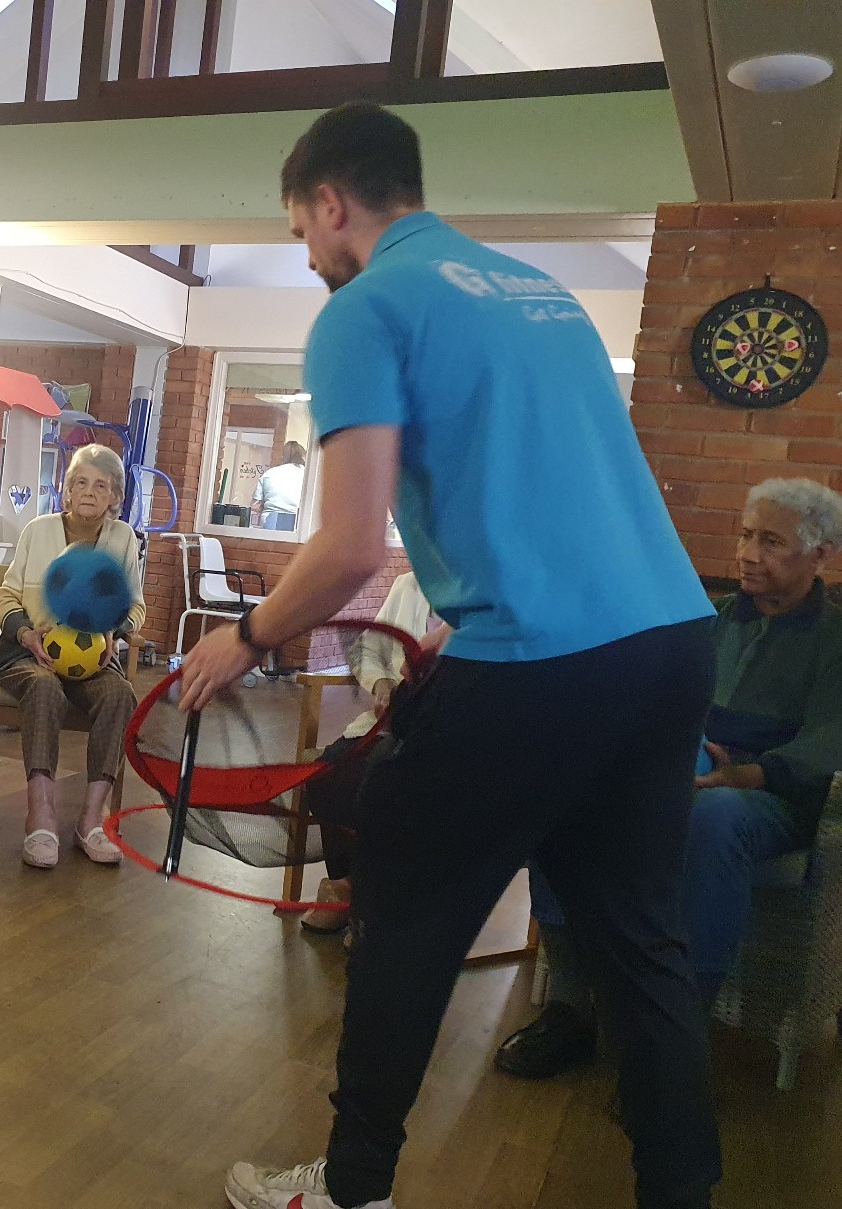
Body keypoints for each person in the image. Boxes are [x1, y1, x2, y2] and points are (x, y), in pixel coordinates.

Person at [180, 103, 721, 1209]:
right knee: (640, 950)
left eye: (298, 232)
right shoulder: (542, 294)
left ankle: (348, 1189)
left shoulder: (365, 308)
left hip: (542, 659)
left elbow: (344, 552)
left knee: (401, 912)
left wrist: (241, 638)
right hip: (670, 641)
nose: (308, 254)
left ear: (331, 203)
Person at [496, 478, 842, 1080]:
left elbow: (824, 747)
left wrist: (745, 772)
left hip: (774, 798)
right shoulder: (710, 622)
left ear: (819, 556)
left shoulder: (834, 639)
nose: (747, 553)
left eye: (770, 541)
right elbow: (652, 702)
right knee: (565, 800)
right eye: (744, 534)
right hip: (687, 771)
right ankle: (573, 1008)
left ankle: (672, 1040)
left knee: (713, 817)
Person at [0, 443, 145, 869]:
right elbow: (6, 593)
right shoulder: (38, 530)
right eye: (79, 483)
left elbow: (136, 607)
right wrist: (25, 633)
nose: (89, 492)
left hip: (93, 659)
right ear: (66, 491)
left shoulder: (123, 539)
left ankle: (93, 820)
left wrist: (114, 628)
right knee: (43, 687)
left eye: (101, 485)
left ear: (115, 497)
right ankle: (41, 815)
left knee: (121, 695)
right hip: (26, 655)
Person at [299, 571, 445, 935]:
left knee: (392, 786)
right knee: (328, 774)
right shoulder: (409, 586)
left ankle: (369, 899)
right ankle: (350, 887)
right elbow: (367, 649)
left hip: (449, 738)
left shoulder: (495, 594)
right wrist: (380, 682)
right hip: (390, 727)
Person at [250, 440, 308, 531]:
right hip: (298, 524)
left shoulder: (269, 473)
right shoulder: (308, 475)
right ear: (303, 457)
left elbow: (255, 505)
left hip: (270, 522)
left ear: (283, 456)